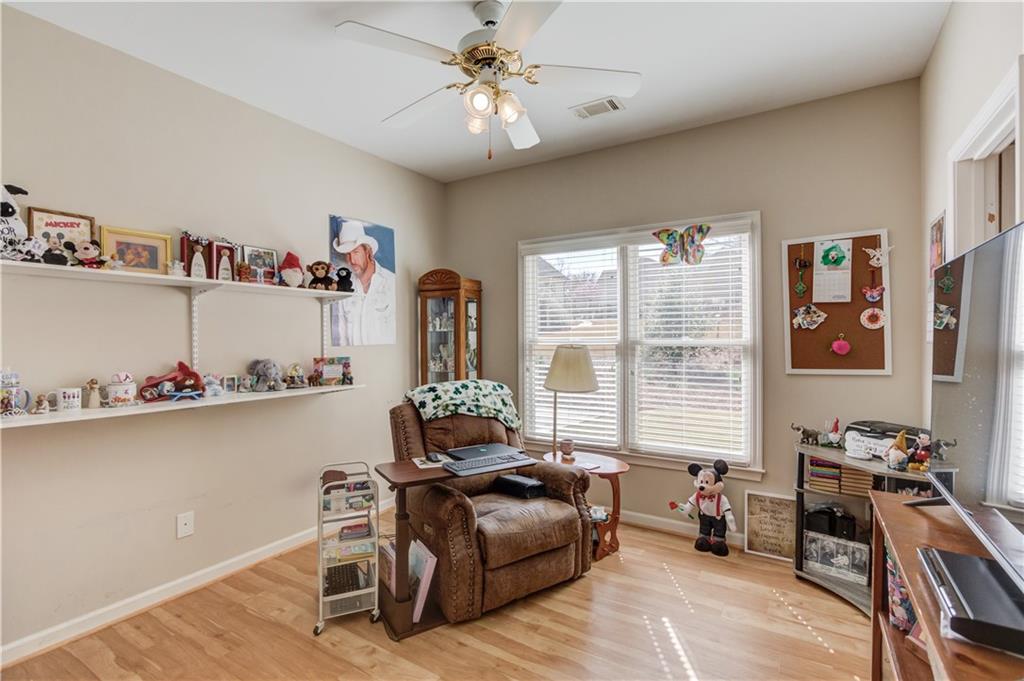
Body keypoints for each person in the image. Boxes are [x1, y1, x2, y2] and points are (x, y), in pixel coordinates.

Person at [332, 219, 395, 345]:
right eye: (347, 254)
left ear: (368, 252)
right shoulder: (342, 287)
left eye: (356, 252)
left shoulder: (391, 282)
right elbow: (340, 335)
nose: (351, 260)